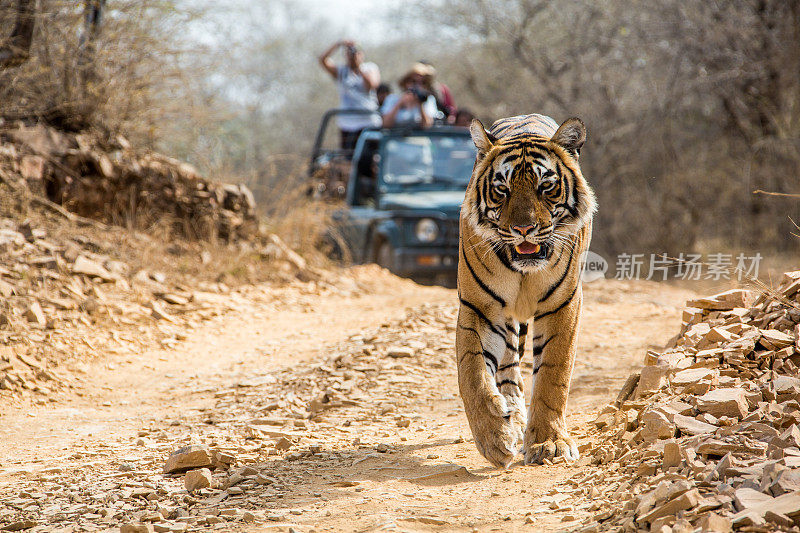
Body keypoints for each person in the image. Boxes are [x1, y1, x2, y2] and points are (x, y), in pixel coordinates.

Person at [318, 39, 381, 150]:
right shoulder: (341, 71)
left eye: (356, 52)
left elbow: (372, 85)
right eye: (349, 53)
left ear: (361, 54)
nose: (352, 55)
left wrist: (359, 67)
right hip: (347, 123)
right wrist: (339, 44)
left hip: (368, 121)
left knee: (369, 156)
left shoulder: (370, 67)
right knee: (347, 156)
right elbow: (323, 60)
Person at [380, 64, 439, 128]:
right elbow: (386, 124)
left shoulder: (428, 100)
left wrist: (420, 104)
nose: (417, 85)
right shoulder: (392, 99)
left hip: (420, 137)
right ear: (406, 82)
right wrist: (399, 103)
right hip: (395, 136)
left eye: (422, 82)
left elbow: (427, 125)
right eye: (414, 81)